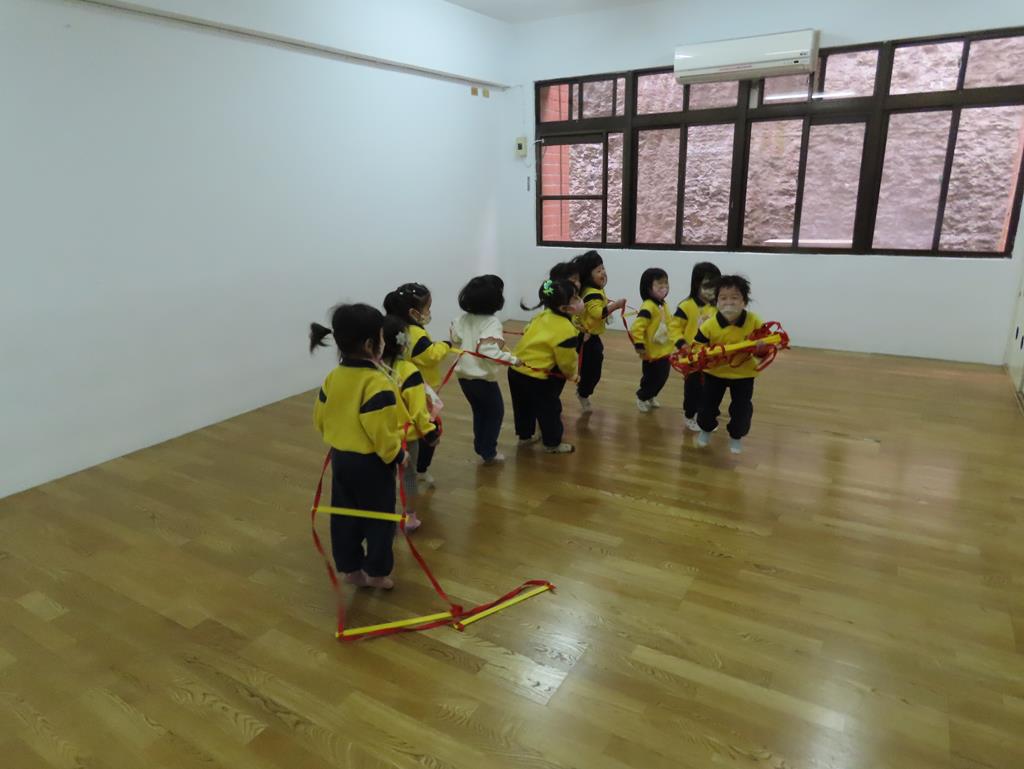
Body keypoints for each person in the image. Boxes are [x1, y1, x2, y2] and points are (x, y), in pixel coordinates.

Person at [310, 303, 404, 590]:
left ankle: (350, 568)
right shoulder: (377, 383)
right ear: (369, 344)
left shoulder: (333, 377)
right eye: (382, 336)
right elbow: (381, 431)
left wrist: (341, 437)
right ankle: (376, 572)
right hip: (372, 464)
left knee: (345, 514)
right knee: (380, 519)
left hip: (340, 459)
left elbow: (319, 418)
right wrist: (398, 454)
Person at [383, 283, 450, 488]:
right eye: (427, 308)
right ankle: (420, 470)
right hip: (418, 388)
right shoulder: (416, 333)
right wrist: (445, 345)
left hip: (399, 386)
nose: (429, 312)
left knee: (409, 422)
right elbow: (430, 356)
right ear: (413, 312)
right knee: (427, 426)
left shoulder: (393, 328)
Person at [692, 275, 767, 455]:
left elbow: (765, 349)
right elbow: (697, 347)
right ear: (717, 302)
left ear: (744, 301)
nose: (729, 303)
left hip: (744, 374)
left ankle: (736, 436)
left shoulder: (754, 322)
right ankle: (706, 430)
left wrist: (761, 348)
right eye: (723, 298)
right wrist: (703, 355)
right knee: (707, 406)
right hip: (714, 373)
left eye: (734, 297)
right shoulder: (709, 325)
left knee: (742, 409)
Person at [450, 275, 519, 464]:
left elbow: (455, 337)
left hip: (463, 376)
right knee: (495, 413)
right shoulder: (492, 322)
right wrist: (513, 360)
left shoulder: (462, 318)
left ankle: (481, 445)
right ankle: (488, 451)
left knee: (479, 411)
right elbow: (487, 351)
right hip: (482, 379)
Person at [508, 279, 583, 453]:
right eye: (575, 298)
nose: (580, 300)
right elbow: (566, 359)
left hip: (515, 371)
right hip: (538, 378)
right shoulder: (566, 329)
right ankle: (552, 444)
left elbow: (527, 330)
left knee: (523, 407)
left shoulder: (542, 315)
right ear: (564, 308)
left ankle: (525, 437)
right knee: (549, 410)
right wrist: (572, 374)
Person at [573, 250, 627, 413]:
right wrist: (615, 305)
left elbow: (595, 307)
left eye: (603, 268)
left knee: (593, 366)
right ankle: (583, 393)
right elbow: (598, 313)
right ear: (589, 276)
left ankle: (583, 389)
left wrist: (606, 302)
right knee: (591, 370)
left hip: (590, 336)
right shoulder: (592, 294)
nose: (603, 272)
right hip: (586, 337)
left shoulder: (594, 290)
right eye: (598, 270)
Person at [671, 261, 722, 432]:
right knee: (693, 388)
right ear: (696, 284)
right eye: (707, 285)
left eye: (715, 285)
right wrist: (682, 344)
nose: (712, 290)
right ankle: (690, 414)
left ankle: (706, 414)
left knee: (711, 387)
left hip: (711, 356)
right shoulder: (686, 306)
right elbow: (674, 328)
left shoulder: (717, 308)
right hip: (691, 357)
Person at [630, 268, 673, 413]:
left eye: (666, 283)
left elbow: (668, 322)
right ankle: (642, 396)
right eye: (659, 284)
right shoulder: (648, 306)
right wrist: (640, 346)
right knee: (651, 378)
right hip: (651, 354)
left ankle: (651, 395)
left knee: (662, 377)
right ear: (648, 288)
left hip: (664, 351)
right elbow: (636, 328)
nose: (664, 287)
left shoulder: (663, 304)